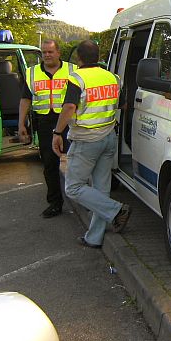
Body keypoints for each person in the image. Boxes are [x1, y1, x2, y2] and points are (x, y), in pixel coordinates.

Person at [51, 40, 130, 248]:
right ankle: (94, 238)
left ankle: (116, 209)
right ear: (98, 56)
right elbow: (123, 104)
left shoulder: (77, 78)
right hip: (109, 137)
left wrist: (57, 132)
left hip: (86, 140)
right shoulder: (113, 77)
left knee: (74, 187)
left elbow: (69, 107)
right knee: (101, 189)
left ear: (79, 58)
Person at [19, 39, 76, 218]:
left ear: (58, 53)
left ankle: (83, 200)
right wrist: (21, 123)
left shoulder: (72, 70)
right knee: (49, 164)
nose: (47, 55)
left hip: (69, 121)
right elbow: (25, 99)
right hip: (44, 122)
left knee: (76, 161)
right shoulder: (32, 73)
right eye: (44, 52)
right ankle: (55, 202)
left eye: (50, 52)